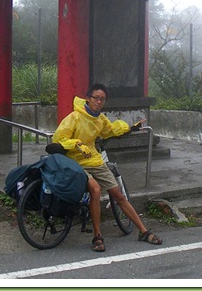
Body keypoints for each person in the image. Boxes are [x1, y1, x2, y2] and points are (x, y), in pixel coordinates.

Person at [53, 83, 163, 252]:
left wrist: (130, 128)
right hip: (75, 163)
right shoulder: (74, 117)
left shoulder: (100, 119)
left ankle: (143, 231)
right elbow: (58, 139)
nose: (99, 102)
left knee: (118, 195)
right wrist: (77, 145)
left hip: (94, 161)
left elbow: (111, 130)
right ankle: (97, 236)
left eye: (102, 99)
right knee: (96, 190)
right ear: (88, 99)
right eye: (96, 98)